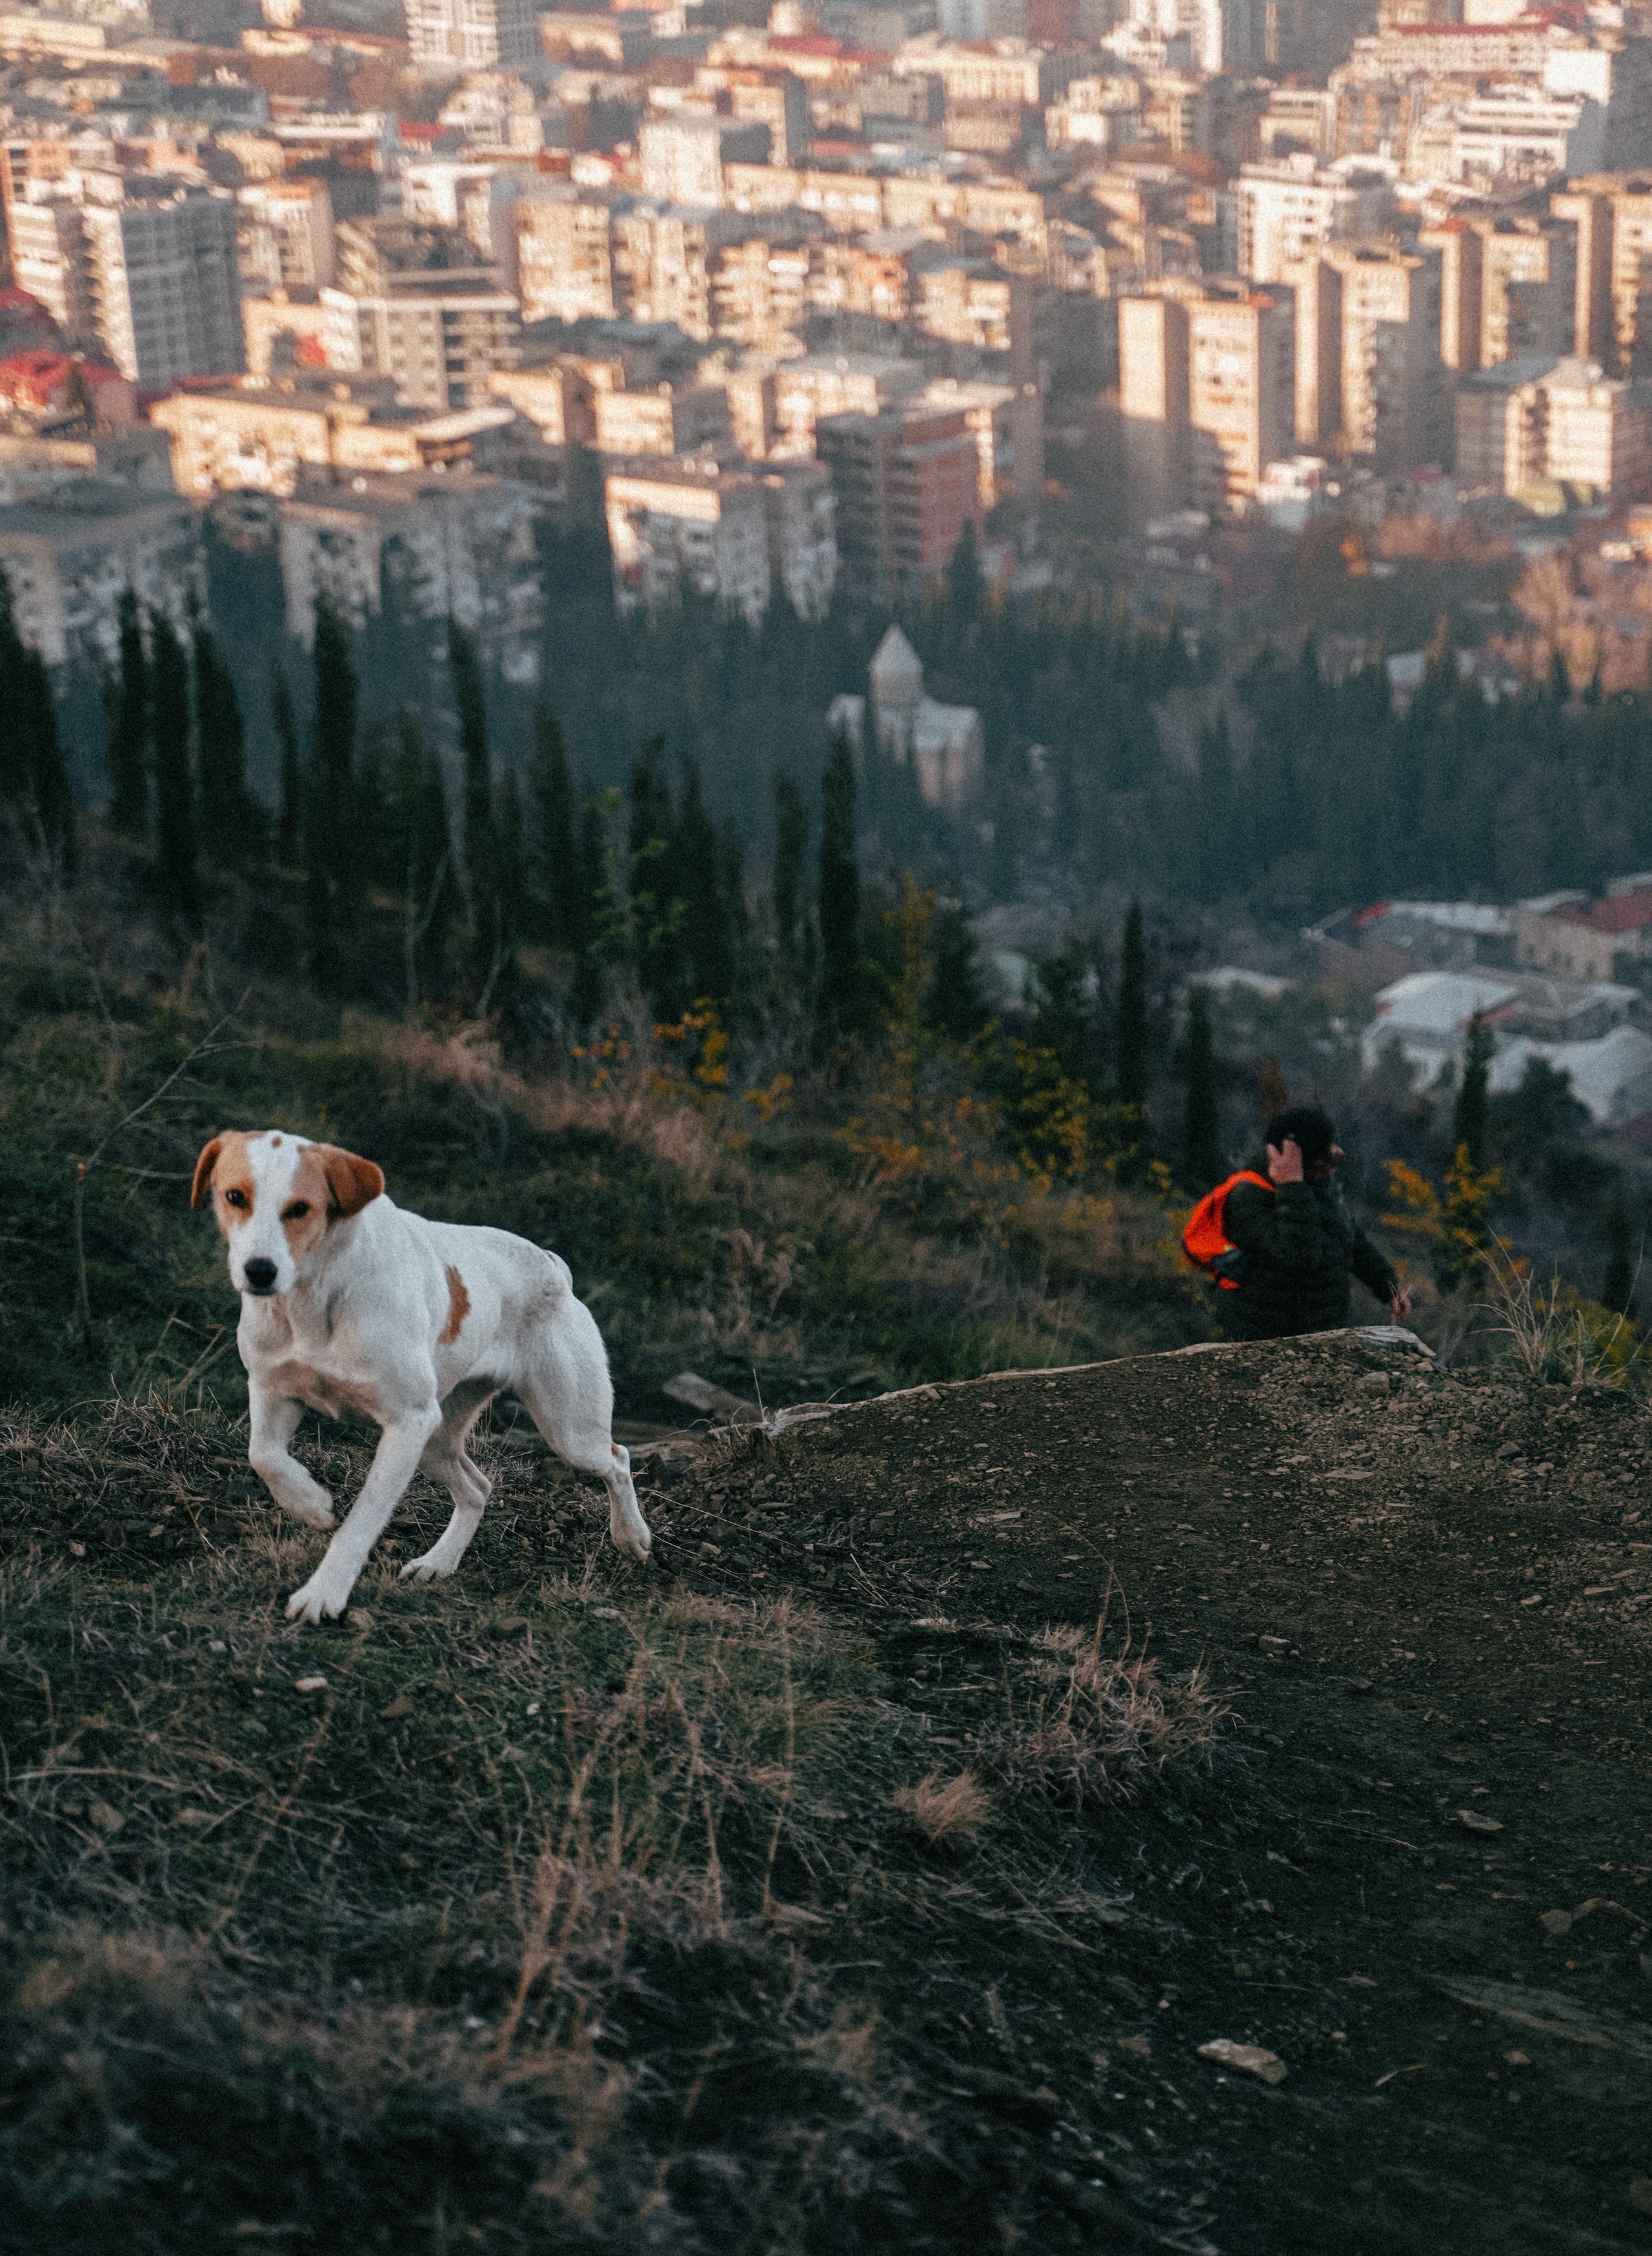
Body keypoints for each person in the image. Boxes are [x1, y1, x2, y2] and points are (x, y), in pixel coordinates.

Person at [1220, 1104, 1412, 1343]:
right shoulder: (1250, 1195)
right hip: (1269, 1338)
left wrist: (1389, 1288)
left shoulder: (1323, 1188)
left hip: (1327, 1331)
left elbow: (1351, 1241)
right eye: (1323, 1164)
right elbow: (1299, 1256)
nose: (1331, 1170)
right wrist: (1291, 1187)